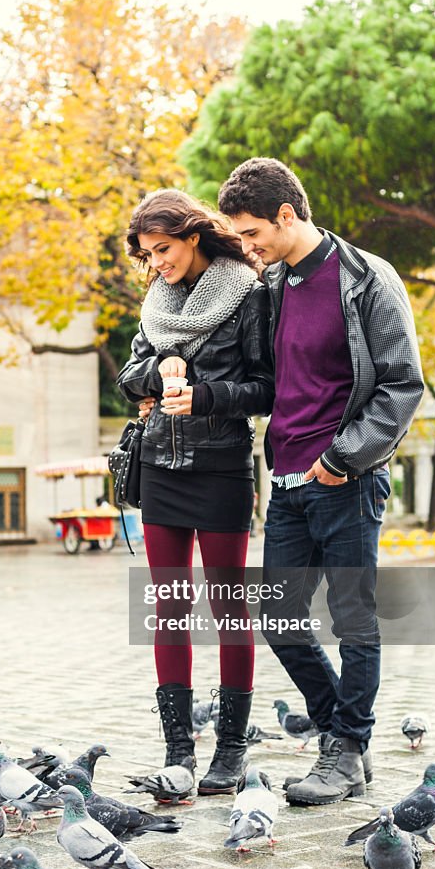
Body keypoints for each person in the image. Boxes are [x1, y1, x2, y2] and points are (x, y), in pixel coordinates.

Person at [217, 158, 424, 805]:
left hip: (345, 481)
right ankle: (345, 737)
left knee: (352, 617)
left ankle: (345, 748)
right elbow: (266, 382)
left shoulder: (367, 280)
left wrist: (343, 458)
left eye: (252, 233)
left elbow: (400, 384)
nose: (247, 248)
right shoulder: (271, 287)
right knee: (279, 618)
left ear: (287, 214)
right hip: (284, 480)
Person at [117, 189, 274, 795]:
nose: (157, 263)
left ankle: (231, 751)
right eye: (148, 255)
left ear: (192, 236)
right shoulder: (156, 300)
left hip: (222, 467)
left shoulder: (247, 292)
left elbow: (265, 388)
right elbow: (131, 373)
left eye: (163, 249)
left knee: (230, 607)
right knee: (171, 607)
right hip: (159, 464)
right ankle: (178, 751)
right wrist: (156, 373)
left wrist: (204, 393)